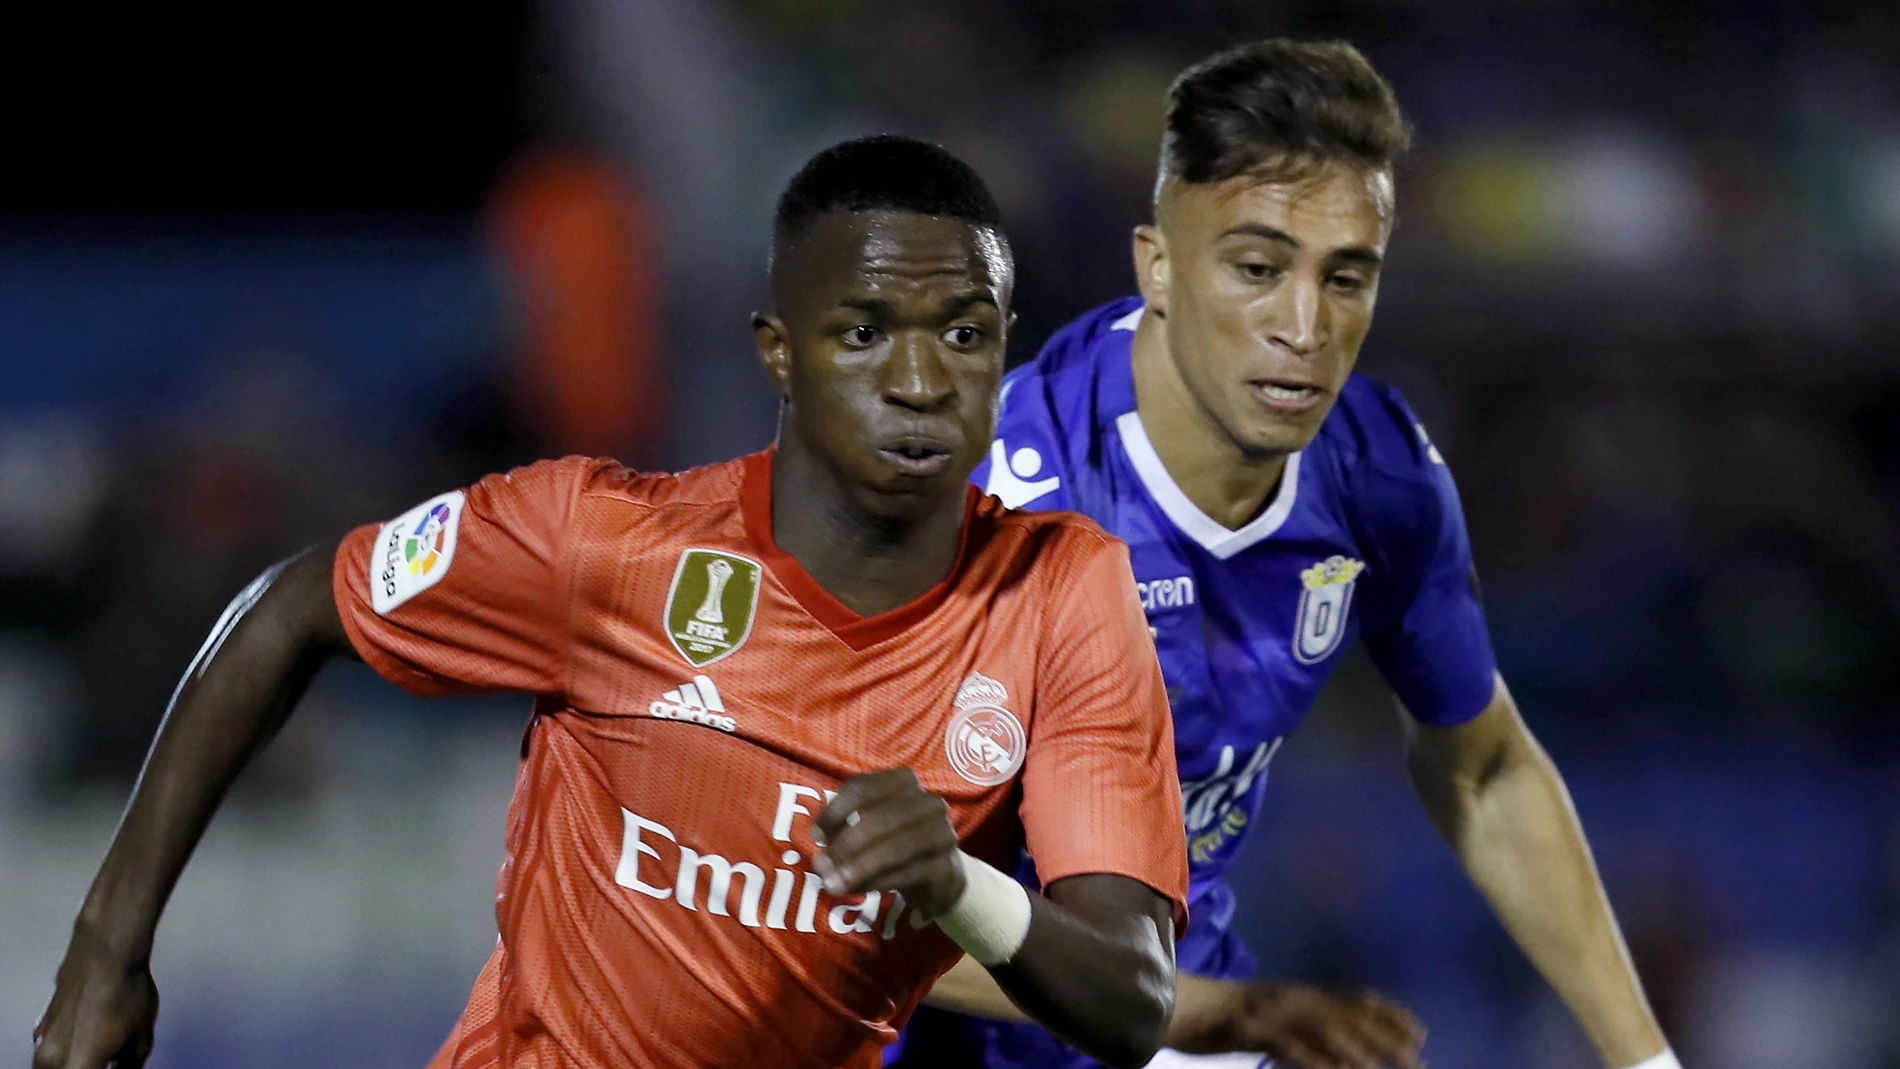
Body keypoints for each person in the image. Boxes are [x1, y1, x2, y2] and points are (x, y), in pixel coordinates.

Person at [32, 135, 1190, 1069]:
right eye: (863, 333)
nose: (922, 379)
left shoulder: (1060, 593)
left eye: (964, 334)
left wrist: (960, 886)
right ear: (779, 353)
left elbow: (1132, 1003)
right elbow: (293, 606)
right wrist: (106, 946)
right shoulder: (603, 542)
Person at [900, 40, 1679, 1069]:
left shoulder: (1378, 477)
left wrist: (1647, 1061)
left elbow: (1486, 772)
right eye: (1258, 269)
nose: (1304, 327)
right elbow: (843, 895)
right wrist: (1197, 1016)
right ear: (1158, 266)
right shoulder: (986, 506)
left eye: (1345, 277)